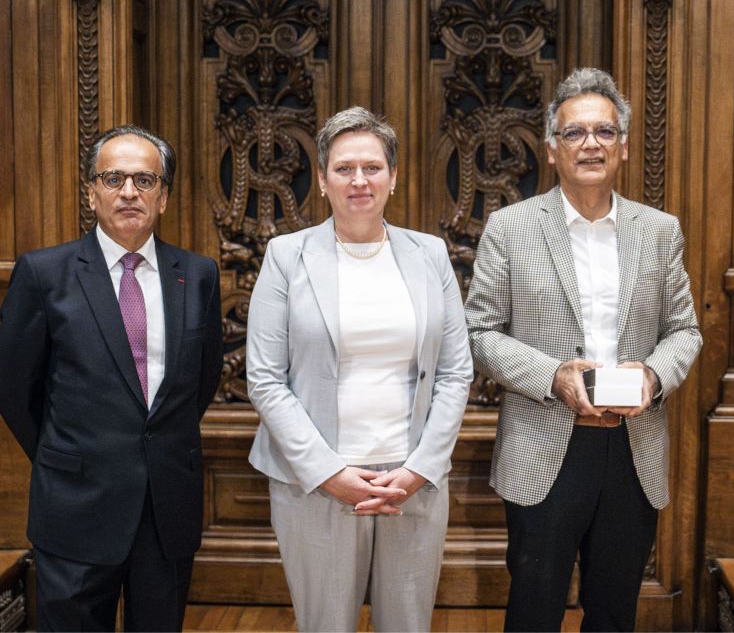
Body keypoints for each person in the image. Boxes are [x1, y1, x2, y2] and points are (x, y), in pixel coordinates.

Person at [464, 68, 702, 631]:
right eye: (575, 133)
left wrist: (653, 376)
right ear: (552, 149)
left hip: (632, 448)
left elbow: (685, 330)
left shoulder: (660, 230)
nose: (590, 143)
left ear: (622, 145)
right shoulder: (510, 226)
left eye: (604, 131)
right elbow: (479, 332)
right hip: (543, 446)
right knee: (534, 610)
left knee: (615, 612)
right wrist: (554, 376)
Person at [246, 106, 472, 632]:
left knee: (408, 625)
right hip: (316, 484)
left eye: (372, 167)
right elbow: (264, 378)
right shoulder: (286, 256)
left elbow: (455, 373)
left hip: (411, 483)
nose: (359, 180)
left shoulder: (431, 255)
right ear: (322, 181)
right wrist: (329, 473)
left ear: (393, 178)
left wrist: (420, 468)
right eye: (344, 168)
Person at [0, 125, 224, 631]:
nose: (129, 192)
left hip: (165, 508)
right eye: (113, 178)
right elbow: (15, 390)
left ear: (163, 196)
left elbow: (200, 381)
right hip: (76, 505)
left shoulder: (199, 274)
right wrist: (67, 454)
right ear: (91, 192)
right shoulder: (44, 273)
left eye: (144, 180)